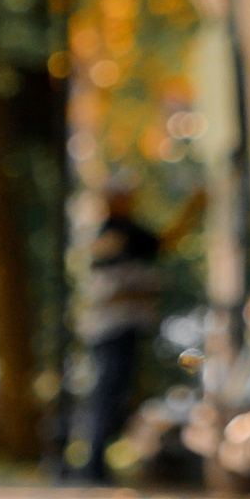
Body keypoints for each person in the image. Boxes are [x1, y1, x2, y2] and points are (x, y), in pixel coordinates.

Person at [79, 182, 169, 482]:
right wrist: (140, 293)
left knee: (116, 395)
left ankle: (100, 463)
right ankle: (93, 466)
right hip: (112, 329)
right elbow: (107, 291)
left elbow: (163, 243)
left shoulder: (127, 232)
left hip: (124, 327)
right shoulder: (112, 234)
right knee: (107, 395)